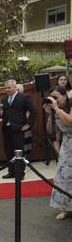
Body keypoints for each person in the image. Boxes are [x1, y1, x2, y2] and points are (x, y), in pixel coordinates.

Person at [0, 79, 37, 180]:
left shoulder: (24, 97)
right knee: (9, 151)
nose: (7, 89)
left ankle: (20, 173)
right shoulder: (4, 99)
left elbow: (33, 111)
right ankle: (11, 172)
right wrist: (0, 113)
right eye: (5, 88)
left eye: (9, 87)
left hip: (19, 129)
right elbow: (3, 113)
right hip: (6, 129)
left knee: (19, 152)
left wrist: (28, 125)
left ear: (15, 87)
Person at [43, 86, 72, 220]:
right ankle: (65, 209)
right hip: (67, 145)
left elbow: (70, 122)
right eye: (52, 98)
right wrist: (50, 114)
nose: (54, 100)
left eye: (56, 97)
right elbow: (51, 131)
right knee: (63, 177)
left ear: (65, 95)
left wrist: (56, 108)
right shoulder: (55, 109)